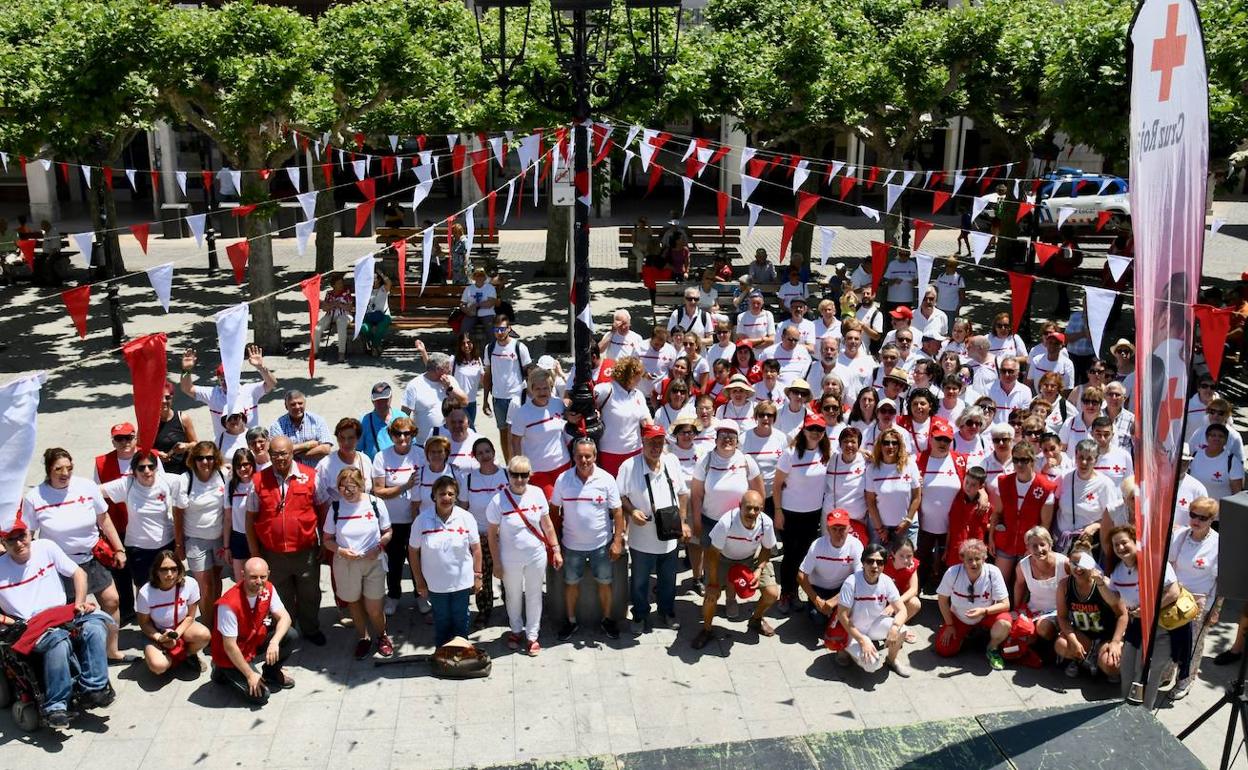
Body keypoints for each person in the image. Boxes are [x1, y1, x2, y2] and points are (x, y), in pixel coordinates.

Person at [0, 521, 115, 727]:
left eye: (22, 536)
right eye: (11, 540)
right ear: (3, 543)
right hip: (29, 625)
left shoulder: (46, 547)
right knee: (59, 642)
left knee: (96, 625)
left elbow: (79, 573)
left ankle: (94, 688)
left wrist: (79, 602)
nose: (18, 543)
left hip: (63, 613)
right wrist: (11, 621)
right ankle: (56, 706)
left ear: (29, 534)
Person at [22, 448, 127, 662]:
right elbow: (28, 534)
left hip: (92, 556)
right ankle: (75, 656)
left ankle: (111, 650)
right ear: (48, 470)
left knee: (112, 601)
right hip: (60, 566)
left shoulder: (86, 486)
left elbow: (104, 519)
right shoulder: (35, 497)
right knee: (68, 614)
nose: (65, 473)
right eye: (58, 469)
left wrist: (119, 548)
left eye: (69, 468)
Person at [245, 436, 325, 646]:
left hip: (305, 551)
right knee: (281, 596)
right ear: (269, 455)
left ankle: (311, 629)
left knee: (310, 594)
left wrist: (325, 541)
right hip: (273, 553)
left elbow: (323, 509)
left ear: (292, 453)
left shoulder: (311, 476)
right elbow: (250, 518)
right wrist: (255, 553)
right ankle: (286, 633)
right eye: (275, 454)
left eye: (284, 454)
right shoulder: (258, 481)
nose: (279, 458)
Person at [550, 438, 625, 641]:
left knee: (605, 583)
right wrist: (555, 542)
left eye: (588, 456)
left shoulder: (607, 479)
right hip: (571, 546)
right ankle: (571, 622)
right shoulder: (563, 479)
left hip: (601, 545)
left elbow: (617, 512)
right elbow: (554, 511)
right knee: (571, 584)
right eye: (579, 456)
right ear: (573, 456)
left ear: (595, 456)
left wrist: (617, 541)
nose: (583, 460)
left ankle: (608, 620)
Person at [619, 425, 690, 632]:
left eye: (660, 442)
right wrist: (632, 512)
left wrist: (683, 522)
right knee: (640, 582)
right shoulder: (629, 466)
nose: (656, 446)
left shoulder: (672, 461)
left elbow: (683, 493)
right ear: (643, 442)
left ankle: (666, 612)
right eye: (651, 442)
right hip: (641, 539)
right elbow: (619, 497)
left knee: (668, 580)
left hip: (670, 538)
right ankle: (640, 616)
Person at [487, 456, 561, 655]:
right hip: (509, 558)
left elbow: (547, 525)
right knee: (512, 595)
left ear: (530, 475)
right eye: (514, 475)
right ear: (508, 475)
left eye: (524, 475)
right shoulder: (498, 500)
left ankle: (532, 635)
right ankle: (516, 629)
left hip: (536, 556)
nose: (519, 479)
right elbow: (492, 536)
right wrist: (496, 563)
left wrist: (555, 549)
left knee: (534, 594)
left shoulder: (537, 494)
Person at [1109, 525, 1187, 708]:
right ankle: (1127, 709)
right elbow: (1113, 598)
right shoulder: (1118, 570)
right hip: (1136, 625)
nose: (1120, 548)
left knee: (1149, 674)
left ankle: (1144, 714)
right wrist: (1100, 583)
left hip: (1160, 626)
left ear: (1135, 542)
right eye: (1115, 545)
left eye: (1124, 542)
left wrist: (1146, 610)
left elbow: (1173, 592)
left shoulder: (1154, 561)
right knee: (1128, 670)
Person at [693, 490, 779, 649]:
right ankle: (706, 629)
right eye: (748, 508)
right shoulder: (727, 522)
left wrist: (758, 570)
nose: (752, 512)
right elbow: (712, 553)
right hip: (723, 559)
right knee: (711, 596)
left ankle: (756, 619)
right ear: (740, 506)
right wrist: (712, 583)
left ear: (761, 509)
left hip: (751, 558)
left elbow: (767, 549)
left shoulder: (765, 523)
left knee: (772, 594)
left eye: (756, 509)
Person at [324, 467, 394, 659]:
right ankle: (364, 637)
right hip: (346, 564)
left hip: (373, 562)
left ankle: (382, 636)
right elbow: (327, 539)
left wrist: (378, 547)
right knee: (353, 602)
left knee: (374, 607)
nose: (347, 491)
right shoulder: (336, 508)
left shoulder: (375, 503)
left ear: (361, 485)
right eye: (342, 487)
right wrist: (341, 551)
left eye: (352, 486)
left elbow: (388, 532)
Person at [690, 420, 764, 592]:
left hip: (739, 522)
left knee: (733, 561)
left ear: (737, 440)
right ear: (715, 439)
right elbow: (697, 494)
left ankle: (730, 596)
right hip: (711, 522)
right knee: (712, 563)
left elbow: (758, 494)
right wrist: (697, 520)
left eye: (731, 436)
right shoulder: (705, 460)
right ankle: (712, 594)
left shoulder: (746, 461)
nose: (727, 440)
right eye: (722, 436)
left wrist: (756, 521)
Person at [209, 557, 294, 705]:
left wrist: (274, 642)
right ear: (243, 575)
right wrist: (250, 675)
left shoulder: (268, 588)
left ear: (268, 574)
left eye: (263, 577)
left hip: (252, 642)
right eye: (253, 577)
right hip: (231, 654)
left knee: (290, 635)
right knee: (262, 696)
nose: (259, 581)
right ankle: (221, 671)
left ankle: (271, 673)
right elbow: (230, 646)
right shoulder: (228, 605)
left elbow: (285, 617)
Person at [409, 476, 482, 646]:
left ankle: (462, 656)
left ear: (456, 496)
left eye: (451, 494)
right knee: (441, 621)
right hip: (435, 584)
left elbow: (476, 549)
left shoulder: (466, 518)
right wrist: (419, 581)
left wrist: (477, 575)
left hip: (461, 583)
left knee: (461, 621)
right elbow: (413, 552)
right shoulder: (422, 520)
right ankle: (442, 657)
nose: (446, 498)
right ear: (434, 495)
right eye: (442, 493)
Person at [773, 413, 833, 612]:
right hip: (790, 512)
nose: (815, 433)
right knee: (790, 555)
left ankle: (795, 592)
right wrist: (778, 511)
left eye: (820, 429)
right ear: (804, 430)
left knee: (804, 555)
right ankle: (785, 594)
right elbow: (777, 484)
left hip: (813, 513)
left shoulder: (825, 453)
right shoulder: (790, 453)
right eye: (812, 429)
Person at [99, 449, 178, 592]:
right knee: (144, 591)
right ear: (134, 470)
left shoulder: (167, 480)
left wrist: (222, 470)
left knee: (169, 587)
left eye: (151, 467)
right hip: (138, 549)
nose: (147, 471)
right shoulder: (127, 484)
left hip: (166, 545)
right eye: (141, 467)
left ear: (156, 468)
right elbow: (96, 491)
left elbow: (191, 479)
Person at [1168, 497, 1220, 700]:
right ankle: (1166, 673)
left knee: (1192, 644)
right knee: (1169, 638)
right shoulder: (1180, 535)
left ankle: (1185, 680)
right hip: (1175, 596)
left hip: (1199, 601)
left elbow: (1220, 581)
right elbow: (1170, 565)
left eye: (1203, 517)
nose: (1196, 520)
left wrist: (1215, 610)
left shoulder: (1218, 544)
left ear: (1212, 519)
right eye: (1193, 514)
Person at [173, 441, 229, 629]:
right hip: (195, 540)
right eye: (200, 458)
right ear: (193, 459)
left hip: (220, 538)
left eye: (210, 457)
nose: (205, 462)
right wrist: (179, 545)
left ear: (216, 459)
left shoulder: (223, 474)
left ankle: (217, 618)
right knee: (205, 586)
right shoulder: (185, 480)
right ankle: (208, 627)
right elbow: (177, 514)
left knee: (216, 580)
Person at [370, 417, 423, 616]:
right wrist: (404, 487)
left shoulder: (421, 455)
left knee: (419, 559)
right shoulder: (382, 457)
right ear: (391, 435)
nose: (402, 437)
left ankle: (421, 595)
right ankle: (393, 596)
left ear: (413, 435)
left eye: (407, 433)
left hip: (417, 519)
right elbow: (378, 491)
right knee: (394, 561)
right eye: (398, 433)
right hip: (392, 521)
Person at [1054, 538, 1127, 681]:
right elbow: (1062, 617)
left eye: (1081, 564)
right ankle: (1083, 660)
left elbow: (1123, 615)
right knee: (1061, 644)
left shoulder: (1103, 583)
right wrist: (1073, 640)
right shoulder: (1064, 585)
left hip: (1106, 635)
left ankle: (1097, 662)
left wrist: (1116, 642)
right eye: (1073, 563)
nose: (1078, 568)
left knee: (1111, 665)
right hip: (1084, 634)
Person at [934, 539, 1013, 669]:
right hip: (959, 616)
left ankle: (992, 648)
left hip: (985, 615)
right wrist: (949, 624)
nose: (974, 563)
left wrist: (984, 611)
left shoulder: (993, 572)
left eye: (977, 558)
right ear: (962, 559)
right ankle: (965, 636)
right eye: (969, 559)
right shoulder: (953, 572)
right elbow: (942, 599)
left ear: (984, 558)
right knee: (943, 650)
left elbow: (1005, 604)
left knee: (1005, 622)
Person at [987, 442, 1055, 591]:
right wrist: (991, 538)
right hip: (1006, 540)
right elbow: (997, 513)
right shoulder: (1004, 482)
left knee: (1024, 584)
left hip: (1030, 544)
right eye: (1016, 460)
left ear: (1032, 461)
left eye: (1024, 460)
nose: (1019, 464)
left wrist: (1035, 547)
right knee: (999, 582)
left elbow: (1045, 524)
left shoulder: (1045, 487)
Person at [835, 543, 910, 676]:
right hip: (853, 630)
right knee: (871, 665)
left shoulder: (886, 581)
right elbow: (842, 616)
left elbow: (902, 610)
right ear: (863, 562)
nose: (875, 566)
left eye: (880, 562)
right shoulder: (851, 582)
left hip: (874, 624)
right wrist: (862, 640)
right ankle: (846, 649)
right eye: (870, 561)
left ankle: (891, 660)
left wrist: (895, 627)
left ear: (884, 565)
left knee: (902, 630)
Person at [180, 344, 277, 442]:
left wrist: (261, 367)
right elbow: (187, 388)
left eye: (227, 378)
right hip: (224, 446)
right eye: (221, 379)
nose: (224, 382)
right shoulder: (213, 394)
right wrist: (186, 370)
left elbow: (271, 383)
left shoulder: (249, 390)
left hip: (251, 445)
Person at [136, 551, 211, 676]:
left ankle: (188, 655)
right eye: (164, 570)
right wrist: (160, 638)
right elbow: (144, 624)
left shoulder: (190, 584)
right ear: (156, 571)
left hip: (180, 627)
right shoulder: (145, 592)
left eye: (173, 569)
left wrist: (175, 635)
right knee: (158, 666)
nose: (169, 574)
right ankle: (168, 659)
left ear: (179, 570)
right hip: (156, 632)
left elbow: (190, 617)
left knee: (204, 635)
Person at [799, 508, 864, 622]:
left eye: (842, 529)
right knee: (818, 618)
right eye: (834, 529)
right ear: (828, 529)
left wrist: (834, 601)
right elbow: (801, 575)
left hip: (843, 588)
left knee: (851, 614)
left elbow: (860, 578)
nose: (838, 533)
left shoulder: (856, 545)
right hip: (819, 588)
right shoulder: (817, 545)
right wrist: (817, 600)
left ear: (849, 528)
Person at [593, 357, 653, 475]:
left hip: (635, 452)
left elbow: (647, 421)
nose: (640, 379)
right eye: (637, 375)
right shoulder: (605, 389)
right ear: (628, 375)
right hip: (609, 453)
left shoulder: (638, 394)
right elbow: (586, 406)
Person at [864, 428, 921, 547]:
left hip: (907, 526)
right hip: (879, 528)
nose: (890, 446)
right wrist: (880, 529)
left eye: (894, 443)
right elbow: (870, 501)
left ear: (900, 445)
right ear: (880, 445)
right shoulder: (872, 469)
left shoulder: (910, 465)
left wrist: (907, 521)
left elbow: (917, 496)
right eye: (886, 442)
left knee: (905, 564)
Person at [483, 318, 532, 454]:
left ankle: (522, 462)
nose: (499, 332)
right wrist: (485, 400)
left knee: (519, 432)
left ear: (509, 329)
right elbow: (487, 375)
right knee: (503, 433)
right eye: (496, 329)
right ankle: (508, 465)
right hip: (498, 398)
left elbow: (529, 372)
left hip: (517, 397)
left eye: (502, 329)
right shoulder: (489, 348)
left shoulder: (519, 347)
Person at [1013, 527, 1068, 643]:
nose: (1039, 549)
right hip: (1033, 609)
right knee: (1010, 624)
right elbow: (1019, 586)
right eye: (1034, 546)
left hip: (1059, 611)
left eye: (1042, 544)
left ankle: (1053, 648)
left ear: (1050, 544)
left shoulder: (1064, 563)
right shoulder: (1023, 566)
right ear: (1027, 548)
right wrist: (1016, 609)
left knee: (1042, 628)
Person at [268, 390, 333, 465]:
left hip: (316, 473)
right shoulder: (277, 426)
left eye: (300, 403)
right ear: (286, 406)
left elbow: (326, 449)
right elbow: (277, 452)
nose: (297, 407)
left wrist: (295, 454)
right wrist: (309, 444)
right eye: (293, 404)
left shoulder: (318, 420)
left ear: (305, 404)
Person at [153, 380, 198, 476]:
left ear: (172, 398)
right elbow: (139, 447)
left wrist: (186, 446)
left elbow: (196, 444)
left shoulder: (183, 418)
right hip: (159, 474)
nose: (164, 401)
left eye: (167, 397)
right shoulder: (149, 422)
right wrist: (156, 454)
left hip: (183, 473)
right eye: (160, 397)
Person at [1188, 423, 1244, 500]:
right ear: (1207, 438)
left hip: (1220, 510)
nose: (1216, 438)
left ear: (1226, 440)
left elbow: (1237, 494)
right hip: (1195, 508)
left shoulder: (1232, 461)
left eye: (1221, 436)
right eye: (1213, 435)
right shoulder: (1195, 455)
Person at [225, 448, 257, 582]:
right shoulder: (231, 486)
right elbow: (227, 519)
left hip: (257, 537)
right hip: (238, 538)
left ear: (252, 464)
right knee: (241, 582)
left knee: (259, 580)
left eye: (246, 464)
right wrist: (226, 547)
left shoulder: (258, 482)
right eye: (238, 466)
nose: (243, 469)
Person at [315, 273, 354, 363]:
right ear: (333, 285)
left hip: (344, 315)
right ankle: (315, 351)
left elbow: (350, 308)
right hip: (330, 315)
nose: (341, 285)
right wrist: (332, 304)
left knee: (341, 325)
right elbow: (324, 308)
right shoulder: (329, 294)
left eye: (341, 283)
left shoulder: (346, 293)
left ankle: (341, 353)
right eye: (338, 283)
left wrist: (340, 304)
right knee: (317, 329)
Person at [359, 382, 403, 459]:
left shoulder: (402, 417)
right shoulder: (364, 421)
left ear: (391, 398)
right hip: (374, 468)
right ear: (372, 401)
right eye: (378, 400)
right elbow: (357, 449)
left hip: (399, 467)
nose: (382, 404)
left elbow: (411, 444)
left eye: (385, 400)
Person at [360, 268, 392, 356]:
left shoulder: (383, 288)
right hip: (369, 315)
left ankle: (374, 346)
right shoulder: (366, 290)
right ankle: (377, 345)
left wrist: (381, 273)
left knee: (382, 325)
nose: (373, 281)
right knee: (364, 328)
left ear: (379, 280)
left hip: (383, 315)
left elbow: (389, 282)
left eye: (375, 279)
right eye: (371, 279)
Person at [459, 266, 498, 338]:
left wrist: (476, 305)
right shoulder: (469, 288)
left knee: (491, 330)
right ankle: (464, 347)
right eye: (477, 275)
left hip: (487, 313)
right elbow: (462, 304)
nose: (479, 277)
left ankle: (493, 347)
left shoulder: (490, 287)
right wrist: (466, 311)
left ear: (485, 277)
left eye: (482, 275)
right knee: (464, 329)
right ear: (474, 277)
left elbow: (490, 303)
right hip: (471, 313)